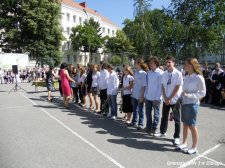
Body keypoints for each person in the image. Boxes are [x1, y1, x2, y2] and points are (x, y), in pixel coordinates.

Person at [176, 57, 206, 154]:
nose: (184, 66)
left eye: (185, 64)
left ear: (191, 65)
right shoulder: (187, 76)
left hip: (193, 104)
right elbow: (183, 90)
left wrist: (189, 95)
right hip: (185, 103)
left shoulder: (199, 77)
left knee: (192, 125)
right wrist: (180, 98)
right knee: (185, 124)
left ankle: (194, 147)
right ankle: (184, 143)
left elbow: (203, 93)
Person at [154, 56, 183, 146]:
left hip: (175, 100)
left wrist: (170, 98)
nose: (168, 64)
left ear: (173, 63)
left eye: (170, 62)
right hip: (166, 99)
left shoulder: (178, 73)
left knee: (176, 119)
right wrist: (165, 97)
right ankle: (163, 132)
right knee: (164, 116)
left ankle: (176, 137)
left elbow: (177, 87)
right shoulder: (164, 74)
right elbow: (162, 86)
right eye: (166, 62)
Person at [145, 56, 163, 135]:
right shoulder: (149, 73)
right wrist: (145, 95)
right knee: (148, 113)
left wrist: (157, 98)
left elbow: (160, 87)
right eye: (150, 63)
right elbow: (147, 85)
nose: (150, 64)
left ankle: (154, 128)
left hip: (156, 98)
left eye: (152, 63)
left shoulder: (160, 73)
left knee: (156, 114)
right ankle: (148, 127)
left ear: (156, 63)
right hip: (148, 97)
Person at [129, 58, 148, 130]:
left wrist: (142, 96)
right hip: (135, 93)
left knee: (140, 110)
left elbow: (144, 85)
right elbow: (135, 84)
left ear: (139, 64)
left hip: (140, 94)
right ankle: (134, 122)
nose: (134, 64)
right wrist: (132, 92)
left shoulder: (143, 73)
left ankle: (140, 124)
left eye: (135, 63)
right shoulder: (136, 72)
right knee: (135, 109)